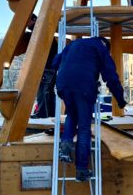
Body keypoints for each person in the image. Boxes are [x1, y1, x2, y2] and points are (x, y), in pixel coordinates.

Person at [52, 37, 126, 181]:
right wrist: (120, 99)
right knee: (84, 127)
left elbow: (55, 62)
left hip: (63, 83)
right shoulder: (101, 48)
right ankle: (82, 169)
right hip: (84, 86)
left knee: (72, 115)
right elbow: (111, 76)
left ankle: (65, 147)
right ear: (106, 45)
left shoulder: (74, 44)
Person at [26, 14, 59, 118]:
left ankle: (42, 114)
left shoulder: (38, 31)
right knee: (48, 91)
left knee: (43, 91)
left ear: (33, 20)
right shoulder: (43, 30)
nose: (26, 24)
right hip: (51, 66)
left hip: (46, 67)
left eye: (27, 21)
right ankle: (50, 114)